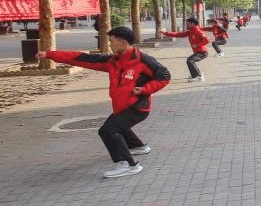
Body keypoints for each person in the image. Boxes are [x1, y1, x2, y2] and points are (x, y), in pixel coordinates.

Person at [38, 26, 170, 177]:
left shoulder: (143, 60)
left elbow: (165, 76)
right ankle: (138, 147)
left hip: (137, 107)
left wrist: (145, 89)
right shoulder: (113, 61)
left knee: (108, 130)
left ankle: (129, 164)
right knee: (118, 125)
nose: (110, 44)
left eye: (112, 41)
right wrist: (50, 54)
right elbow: (81, 58)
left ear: (123, 42)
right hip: (122, 106)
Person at [163, 17, 212, 81]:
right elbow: (179, 34)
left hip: (203, 52)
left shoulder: (198, 31)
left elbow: (208, 40)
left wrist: (197, 45)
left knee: (190, 60)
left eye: (188, 23)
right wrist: (167, 33)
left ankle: (198, 77)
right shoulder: (190, 31)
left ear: (193, 24)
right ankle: (196, 76)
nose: (187, 25)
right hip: (198, 52)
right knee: (190, 60)